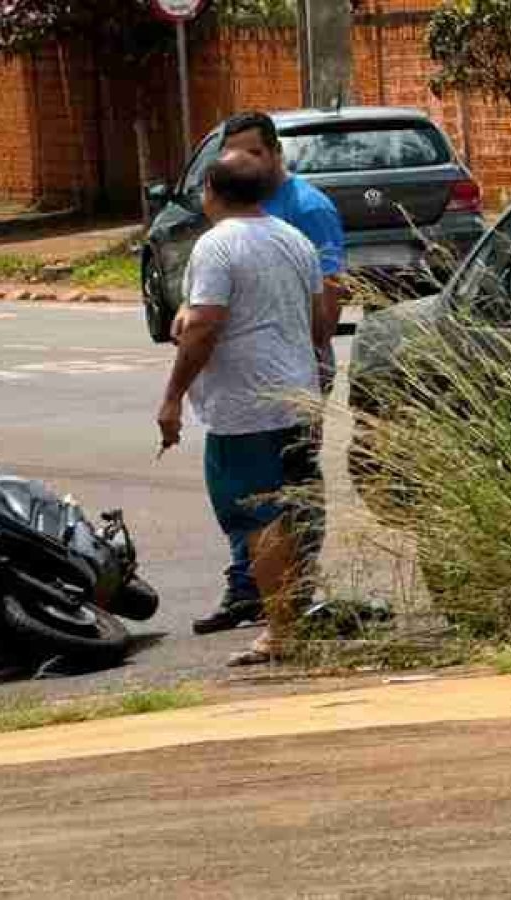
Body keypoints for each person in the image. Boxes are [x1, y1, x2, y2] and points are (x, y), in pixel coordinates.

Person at [157, 149, 329, 665]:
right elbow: (320, 320)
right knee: (291, 511)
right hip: (298, 397)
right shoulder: (294, 240)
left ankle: (281, 631)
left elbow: (207, 325)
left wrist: (171, 397)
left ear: (211, 191)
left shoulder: (217, 245)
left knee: (259, 516)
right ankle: (292, 620)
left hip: (246, 407)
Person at [182, 111, 346, 635]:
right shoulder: (256, 228)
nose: (243, 163)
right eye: (235, 154)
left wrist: (312, 364)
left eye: (252, 152)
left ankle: (286, 611)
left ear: (275, 154)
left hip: (275, 387)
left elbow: (328, 300)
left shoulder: (305, 211)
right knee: (265, 501)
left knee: (267, 503)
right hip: (283, 383)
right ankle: (254, 594)